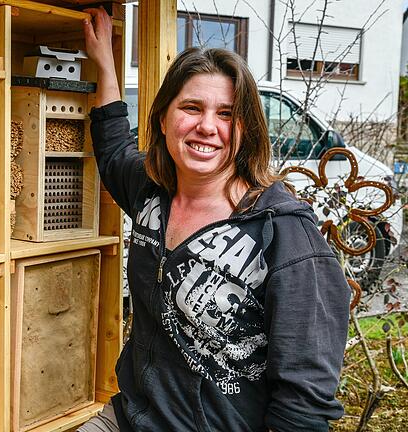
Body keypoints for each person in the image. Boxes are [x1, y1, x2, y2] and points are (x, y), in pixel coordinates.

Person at [78, 8, 350, 432]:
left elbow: (305, 405)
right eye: (191, 107)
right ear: (164, 119)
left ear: (247, 130)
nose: (207, 126)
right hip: (129, 417)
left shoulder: (287, 237)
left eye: (226, 114)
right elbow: (114, 149)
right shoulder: (153, 193)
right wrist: (106, 63)